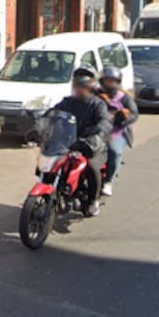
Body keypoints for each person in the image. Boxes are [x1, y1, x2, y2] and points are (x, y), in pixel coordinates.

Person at [52, 65, 112, 217]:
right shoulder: (67, 102)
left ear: (91, 86)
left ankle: (93, 201)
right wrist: (39, 126)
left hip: (93, 145)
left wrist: (97, 129)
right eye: (77, 86)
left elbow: (105, 121)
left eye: (83, 86)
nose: (79, 89)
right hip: (70, 143)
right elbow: (52, 113)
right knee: (49, 161)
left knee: (91, 167)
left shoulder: (97, 104)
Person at [97, 66, 138, 197]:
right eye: (107, 81)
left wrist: (123, 118)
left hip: (117, 131)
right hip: (97, 129)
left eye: (112, 81)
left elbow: (134, 113)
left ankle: (109, 181)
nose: (110, 84)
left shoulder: (124, 97)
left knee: (114, 151)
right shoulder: (95, 95)